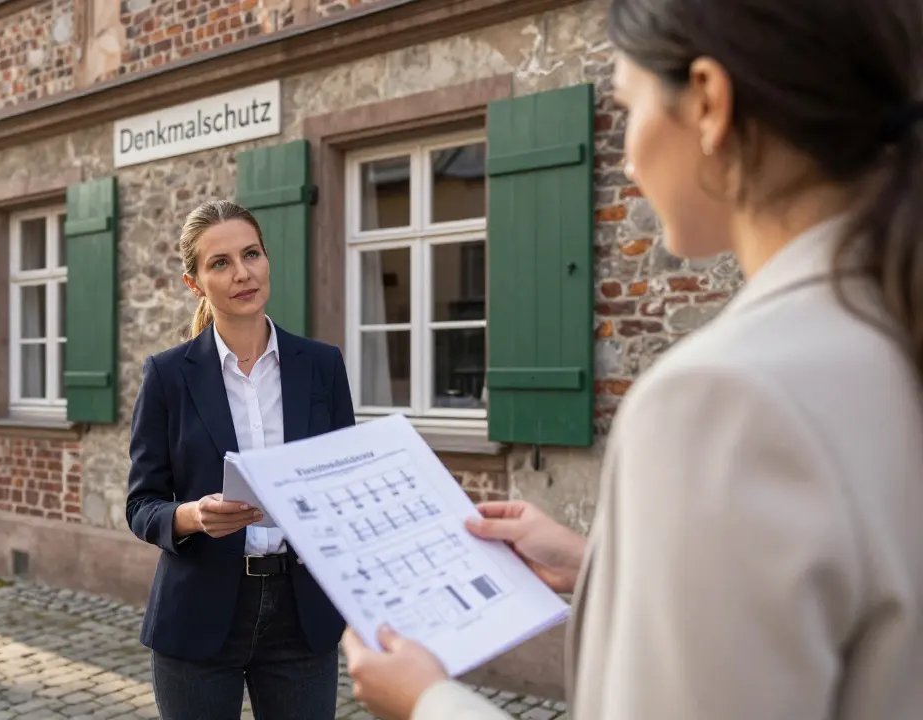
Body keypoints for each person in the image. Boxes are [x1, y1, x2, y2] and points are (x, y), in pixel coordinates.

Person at [341, 0, 923, 718]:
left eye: (627, 107)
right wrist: (602, 564)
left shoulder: (724, 396)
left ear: (708, 101)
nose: (624, 154)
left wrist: (428, 701)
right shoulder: (886, 327)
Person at [126, 199, 355, 719]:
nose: (242, 273)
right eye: (220, 263)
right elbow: (142, 504)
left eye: (251, 254)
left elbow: (342, 482)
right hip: (199, 611)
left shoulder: (322, 366)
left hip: (302, 613)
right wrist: (193, 517)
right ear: (194, 282)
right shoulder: (167, 376)